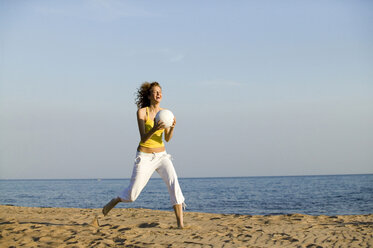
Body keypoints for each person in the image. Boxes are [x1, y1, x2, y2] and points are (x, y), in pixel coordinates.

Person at [102, 81, 185, 228]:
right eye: (155, 91)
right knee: (132, 195)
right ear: (149, 95)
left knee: (174, 184)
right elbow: (143, 137)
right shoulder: (142, 112)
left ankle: (180, 225)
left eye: (160, 91)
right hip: (145, 157)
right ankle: (115, 200)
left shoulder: (166, 113)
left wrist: (172, 128)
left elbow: (167, 138)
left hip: (162, 156)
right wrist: (153, 128)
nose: (159, 94)